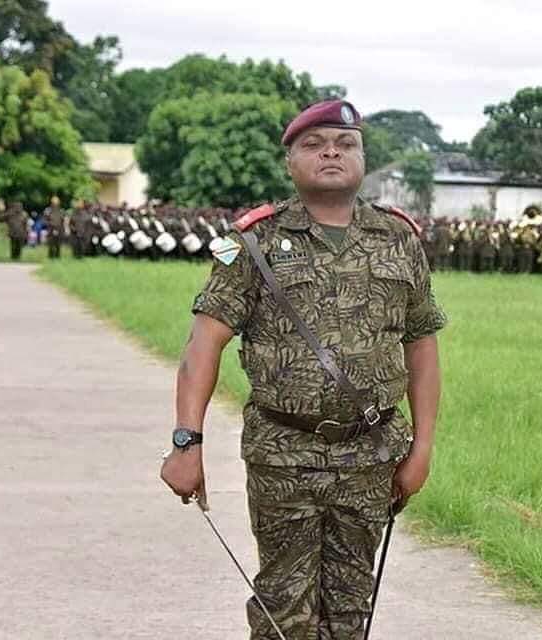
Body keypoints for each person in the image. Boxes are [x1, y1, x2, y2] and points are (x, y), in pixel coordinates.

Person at [160, 99, 446, 640]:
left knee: (350, 608)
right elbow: (203, 345)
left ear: (362, 158)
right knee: (283, 610)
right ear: (290, 161)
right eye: (314, 144)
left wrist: (423, 449)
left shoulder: (400, 239)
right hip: (283, 456)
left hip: (372, 453)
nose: (332, 151)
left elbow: (423, 349)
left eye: (346, 142)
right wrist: (186, 442)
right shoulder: (252, 243)